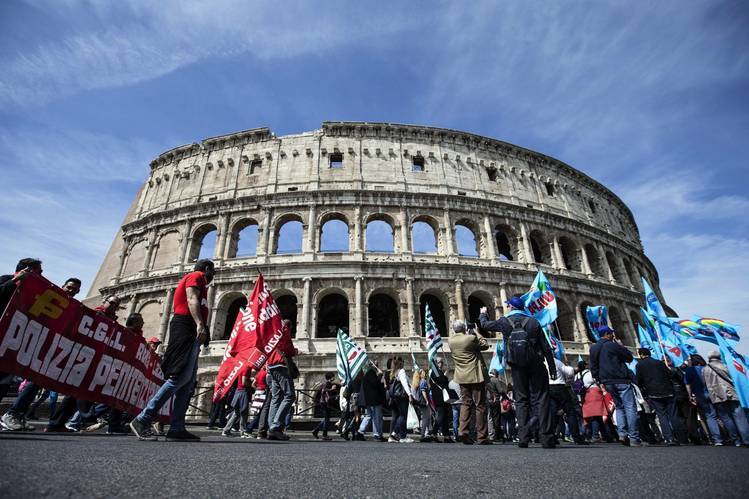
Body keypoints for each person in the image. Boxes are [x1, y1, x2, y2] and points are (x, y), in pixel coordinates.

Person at [129, 259, 215, 442]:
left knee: (189, 381)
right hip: (185, 326)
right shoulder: (196, 276)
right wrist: (200, 324)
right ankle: (143, 419)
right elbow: (192, 299)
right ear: (206, 269)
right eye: (212, 270)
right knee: (180, 377)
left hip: (191, 328)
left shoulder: (202, 283)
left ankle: (177, 427)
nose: (213, 274)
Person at [1, 276, 80, 432]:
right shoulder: (51, 297)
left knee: (36, 383)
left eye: (75, 290)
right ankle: (11, 414)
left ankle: (18, 414)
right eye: (69, 287)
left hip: (46, 349)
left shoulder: (72, 307)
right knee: (21, 381)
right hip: (30, 344)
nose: (72, 291)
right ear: (63, 285)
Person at [479, 296, 556, 448]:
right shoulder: (534, 322)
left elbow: (485, 325)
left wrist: (483, 313)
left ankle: (523, 437)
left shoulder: (504, 321)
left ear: (512, 308)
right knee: (542, 398)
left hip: (517, 365)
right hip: (536, 364)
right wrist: (552, 367)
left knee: (521, 400)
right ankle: (547, 437)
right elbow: (546, 347)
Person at [0, 259, 44, 414]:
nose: (41, 275)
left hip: (11, 340)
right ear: (27, 270)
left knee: (4, 381)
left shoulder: (33, 291)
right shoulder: (6, 280)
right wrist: (16, 280)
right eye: (39, 271)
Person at [590, 326, 641, 447]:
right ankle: (634, 438)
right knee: (630, 407)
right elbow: (629, 358)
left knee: (619, 407)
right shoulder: (613, 345)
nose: (613, 335)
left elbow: (593, 366)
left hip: (607, 382)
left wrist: (599, 380)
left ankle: (622, 434)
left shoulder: (594, 348)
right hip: (621, 379)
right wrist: (621, 346)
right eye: (612, 333)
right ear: (607, 334)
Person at [447, 320, 491, 445]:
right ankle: (482, 436)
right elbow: (484, 344)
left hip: (461, 376)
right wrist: (477, 331)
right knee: (480, 405)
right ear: (464, 328)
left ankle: (463, 432)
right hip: (475, 375)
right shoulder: (470, 338)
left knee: (465, 404)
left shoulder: (450, 341)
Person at [635, 348, 685, 445]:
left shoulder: (640, 365)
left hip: (653, 393)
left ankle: (669, 438)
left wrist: (644, 391)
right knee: (674, 415)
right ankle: (682, 438)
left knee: (662, 416)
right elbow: (669, 374)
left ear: (641, 354)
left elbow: (639, 380)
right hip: (668, 391)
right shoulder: (659, 363)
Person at [701, 351, 749, 446]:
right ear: (719, 357)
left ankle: (736, 440)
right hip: (731, 392)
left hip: (716, 395)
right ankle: (746, 439)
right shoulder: (726, 366)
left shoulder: (705, 369)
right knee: (739, 416)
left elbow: (704, 383)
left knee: (726, 418)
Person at [266, 319, 298, 441]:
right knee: (290, 395)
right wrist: (294, 352)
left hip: (271, 365)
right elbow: (288, 347)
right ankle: (276, 427)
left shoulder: (272, 333)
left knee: (276, 397)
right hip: (280, 364)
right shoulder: (284, 331)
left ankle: (271, 429)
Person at [684, 354, 724, 445]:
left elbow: (688, 385)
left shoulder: (690, 370)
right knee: (722, 415)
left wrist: (690, 396)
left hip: (700, 395)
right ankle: (730, 437)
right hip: (714, 393)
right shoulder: (708, 367)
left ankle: (717, 439)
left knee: (709, 416)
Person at [549, 358, 587, 445]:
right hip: (559, 387)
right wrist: (578, 367)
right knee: (570, 412)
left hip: (548, 388)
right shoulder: (555, 361)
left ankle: (551, 436)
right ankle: (576, 437)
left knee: (553, 414)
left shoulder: (539, 361)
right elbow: (570, 371)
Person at [428, 358, 454, 443]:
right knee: (441, 416)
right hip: (439, 397)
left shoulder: (438, 371)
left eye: (442, 362)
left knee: (445, 417)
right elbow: (442, 380)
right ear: (436, 363)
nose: (441, 364)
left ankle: (446, 436)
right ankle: (434, 433)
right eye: (439, 362)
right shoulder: (435, 372)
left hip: (442, 397)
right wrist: (446, 374)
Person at [358, 361, 386, 441]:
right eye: (376, 364)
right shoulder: (371, 373)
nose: (377, 366)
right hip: (374, 399)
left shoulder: (368, 373)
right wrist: (380, 375)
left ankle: (360, 431)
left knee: (369, 415)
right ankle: (377, 434)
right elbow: (375, 384)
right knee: (377, 417)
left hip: (370, 400)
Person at [388, 357, 414, 443]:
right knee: (403, 415)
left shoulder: (395, 372)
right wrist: (410, 395)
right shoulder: (401, 371)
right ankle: (394, 434)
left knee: (402, 415)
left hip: (397, 397)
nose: (404, 363)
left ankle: (403, 436)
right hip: (402, 397)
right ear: (401, 363)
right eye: (403, 361)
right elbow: (404, 383)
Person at [223, 370, 251, 438]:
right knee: (244, 412)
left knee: (236, 413)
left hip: (238, 391)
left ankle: (226, 430)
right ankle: (243, 431)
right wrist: (250, 383)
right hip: (243, 392)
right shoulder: (246, 368)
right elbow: (244, 382)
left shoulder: (242, 368)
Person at [312, 373, 338, 441]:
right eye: (333, 377)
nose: (334, 378)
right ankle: (324, 434)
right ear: (331, 377)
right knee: (327, 419)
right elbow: (324, 391)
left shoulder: (324, 382)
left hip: (323, 402)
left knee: (326, 418)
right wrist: (332, 389)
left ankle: (316, 430)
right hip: (325, 402)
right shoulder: (328, 383)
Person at [486, 369, 506, 442]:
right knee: (496, 418)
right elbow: (500, 390)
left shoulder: (486, 380)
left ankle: (491, 434)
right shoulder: (495, 380)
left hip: (487, 401)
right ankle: (497, 435)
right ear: (496, 374)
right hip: (495, 401)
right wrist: (505, 396)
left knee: (489, 418)